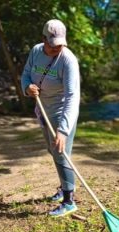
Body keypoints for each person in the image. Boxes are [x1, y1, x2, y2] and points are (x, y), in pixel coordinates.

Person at [21, 19, 81, 217]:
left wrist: (63, 130)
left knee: (61, 153)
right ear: (43, 39)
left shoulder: (68, 60)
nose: (57, 48)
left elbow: (73, 96)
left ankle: (69, 201)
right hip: (42, 109)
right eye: (53, 44)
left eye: (61, 44)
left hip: (61, 111)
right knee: (52, 151)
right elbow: (26, 75)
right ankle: (64, 187)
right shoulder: (36, 51)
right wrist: (27, 87)